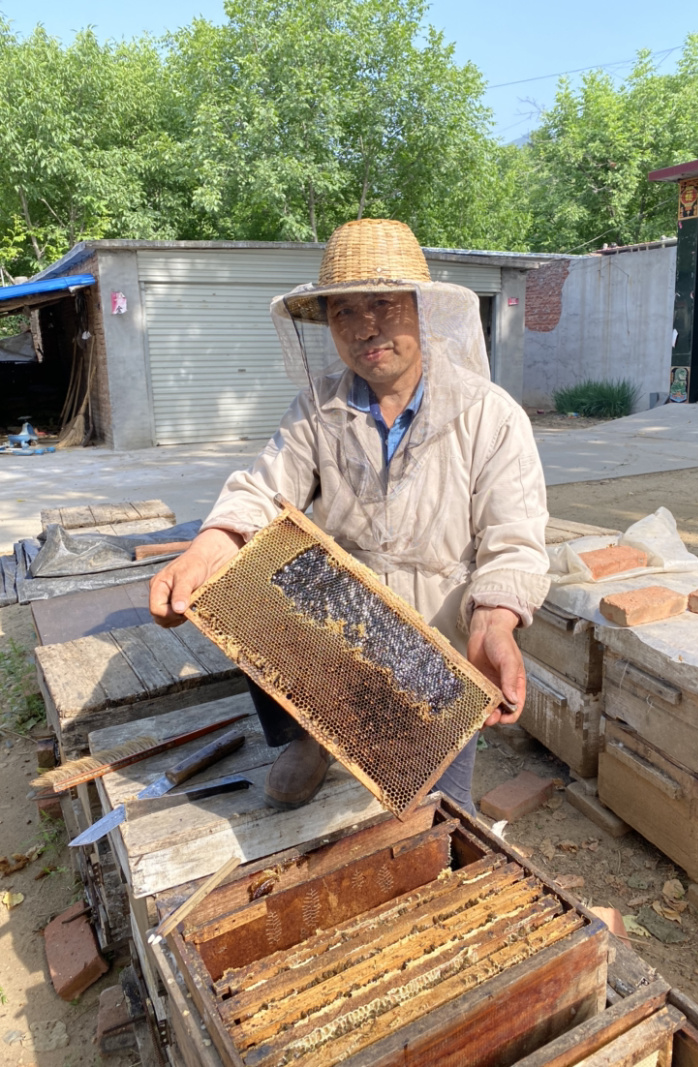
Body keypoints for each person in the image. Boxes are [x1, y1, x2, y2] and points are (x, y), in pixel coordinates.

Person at [150, 218, 550, 815]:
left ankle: (434, 789)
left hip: (435, 633)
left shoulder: (491, 416)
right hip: (334, 622)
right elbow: (263, 489)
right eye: (344, 313)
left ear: (420, 309)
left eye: (384, 304)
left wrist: (495, 619)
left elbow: (514, 542)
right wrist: (211, 544)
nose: (366, 327)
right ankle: (306, 737)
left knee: (436, 814)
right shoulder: (317, 409)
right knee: (246, 592)